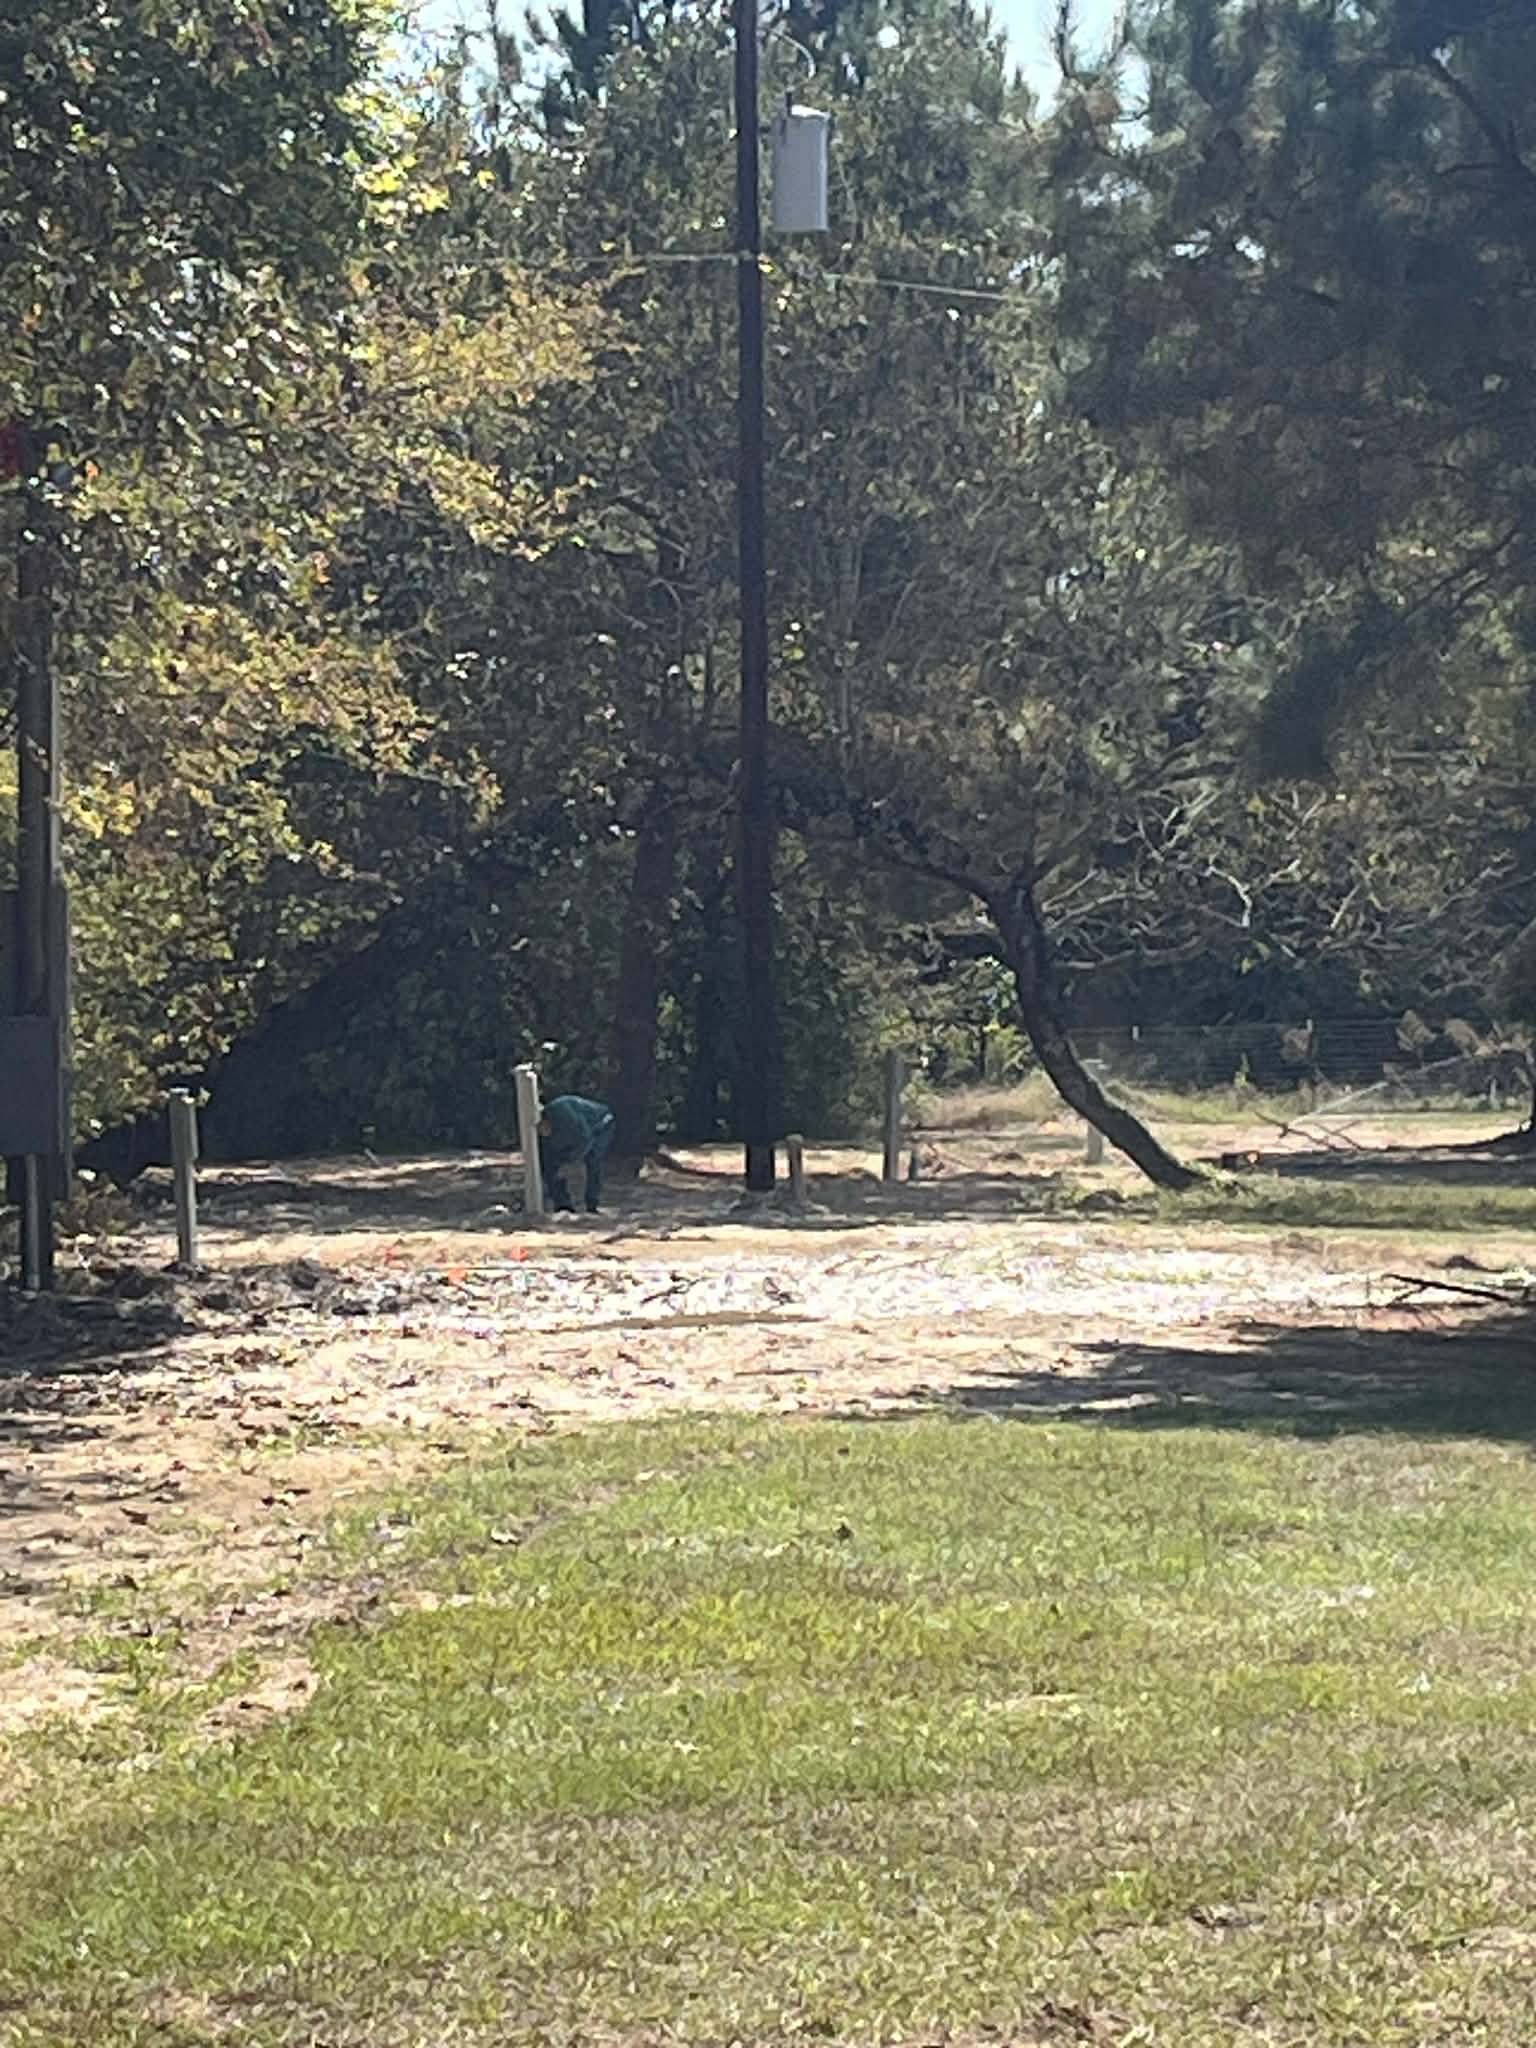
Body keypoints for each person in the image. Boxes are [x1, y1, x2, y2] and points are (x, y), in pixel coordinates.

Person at [536, 1094, 615, 1214]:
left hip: (601, 1124)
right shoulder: (542, 1136)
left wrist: (571, 1162)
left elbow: (586, 1139)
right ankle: (563, 1205)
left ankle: (592, 1204)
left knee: (593, 1160)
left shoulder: (565, 1115)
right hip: (577, 1136)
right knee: (550, 1166)